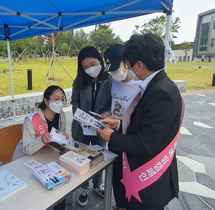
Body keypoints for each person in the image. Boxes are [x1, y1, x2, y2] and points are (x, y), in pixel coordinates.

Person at [97, 33, 183, 210]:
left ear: (140, 65)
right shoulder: (157, 85)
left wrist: (112, 137)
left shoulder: (161, 92)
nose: (127, 69)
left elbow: (146, 143)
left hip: (148, 179)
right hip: (142, 175)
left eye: (127, 65)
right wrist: (120, 124)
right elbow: (147, 124)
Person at [12, 85, 69, 210]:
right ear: (46, 101)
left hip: (47, 156)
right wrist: (41, 140)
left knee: (59, 183)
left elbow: (59, 135)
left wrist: (63, 138)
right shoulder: (31, 120)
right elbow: (27, 149)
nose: (60, 102)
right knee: (38, 191)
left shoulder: (61, 115)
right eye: (56, 99)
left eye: (62, 99)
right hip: (27, 158)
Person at [71, 46, 113, 206]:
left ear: (100, 61)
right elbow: (74, 100)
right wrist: (77, 115)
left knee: (99, 155)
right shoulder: (79, 80)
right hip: (81, 126)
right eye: (85, 67)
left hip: (100, 126)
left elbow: (112, 100)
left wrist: (108, 112)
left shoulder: (109, 80)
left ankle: (97, 184)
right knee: (82, 156)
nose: (90, 69)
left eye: (93, 64)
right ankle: (84, 187)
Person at [103, 44, 142, 210]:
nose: (114, 73)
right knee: (116, 176)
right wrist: (108, 113)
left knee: (131, 178)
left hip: (130, 139)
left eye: (116, 68)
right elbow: (116, 105)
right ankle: (119, 205)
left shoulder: (141, 84)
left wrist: (120, 119)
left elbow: (140, 117)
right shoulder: (115, 82)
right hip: (114, 136)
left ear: (126, 63)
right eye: (111, 70)